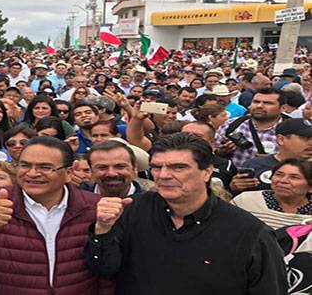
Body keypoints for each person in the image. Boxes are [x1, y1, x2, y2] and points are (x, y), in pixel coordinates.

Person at [84, 133, 286, 294]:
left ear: (207, 172)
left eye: (178, 167)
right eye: (156, 167)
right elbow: (104, 268)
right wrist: (102, 230)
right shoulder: (132, 210)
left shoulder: (249, 233)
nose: (163, 175)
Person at [0, 136, 113, 294]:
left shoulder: (93, 207)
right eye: (25, 165)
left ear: (68, 173)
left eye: (45, 167)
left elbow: (105, 275)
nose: (33, 173)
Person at [235, 118, 312, 193]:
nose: (311, 143)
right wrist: (234, 188)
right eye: (305, 138)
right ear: (281, 140)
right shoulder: (254, 165)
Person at [215, 88, 287, 168]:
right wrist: (221, 152)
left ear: (283, 108)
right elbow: (213, 155)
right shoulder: (231, 124)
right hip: (235, 178)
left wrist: (274, 160)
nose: (259, 106)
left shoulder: (291, 131)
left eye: (267, 103)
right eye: (256, 102)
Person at [232, 158, 312, 229]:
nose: (283, 181)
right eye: (279, 175)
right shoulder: (245, 200)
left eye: (294, 177)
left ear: (310, 187)